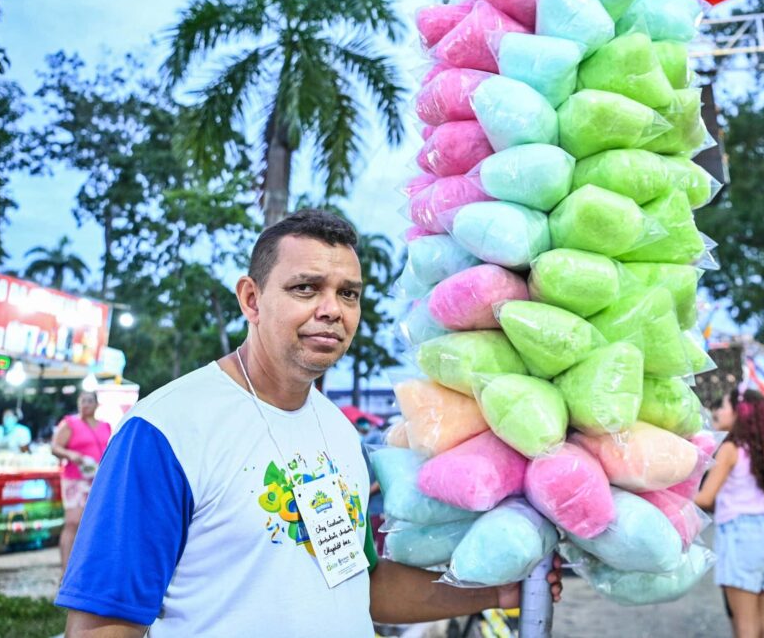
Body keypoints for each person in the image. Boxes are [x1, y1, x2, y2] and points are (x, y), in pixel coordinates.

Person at [55, 210, 561, 636]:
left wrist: (495, 591)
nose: (332, 310)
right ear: (251, 299)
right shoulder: (167, 430)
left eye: (348, 294)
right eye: (306, 288)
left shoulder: (338, 431)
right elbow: (101, 623)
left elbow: (364, 586)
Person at [696, 388, 764, 638]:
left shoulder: (730, 449)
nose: (718, 411)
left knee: (745, 627)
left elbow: (705, 498)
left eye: (724, 406)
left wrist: (670, 494)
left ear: (740, 413)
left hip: (738, 536)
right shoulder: (762, 452)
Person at [51, 391, 111, 573]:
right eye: (82, 401)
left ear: (96, 404)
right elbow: (55, 447)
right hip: (75, 479)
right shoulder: (70, 423)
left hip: (98, 479)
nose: (85, 404)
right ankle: (65, 571)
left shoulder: (105, 426)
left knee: (95, 524)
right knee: (72, 522)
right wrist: (70, 454)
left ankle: (89, 569)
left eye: (89, 401)